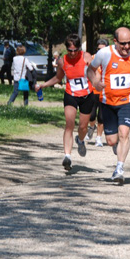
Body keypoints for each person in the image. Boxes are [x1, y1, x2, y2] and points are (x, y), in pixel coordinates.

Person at [87, 27, 130, 184]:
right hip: (107, 103)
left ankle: (119, 168)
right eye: (123, 44)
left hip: (127, 102)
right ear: (115, 42)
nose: (127, 47)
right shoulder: (104, 54)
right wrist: (95, 82)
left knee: (124, 134)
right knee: (111, 141)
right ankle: (118, 145)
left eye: (129, 43)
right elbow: (90, 70)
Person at [35, 33, 94, 171]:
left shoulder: (86, 57)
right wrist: (44, 85)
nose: (73, 53)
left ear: (79, 48)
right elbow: (58, 78)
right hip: (71, 95)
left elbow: (95, 73)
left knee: (83, 127)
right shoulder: (62, 61)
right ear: (66, 49)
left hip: (87, 95)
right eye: (70, 50)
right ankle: (67, 156)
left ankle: (80, 140)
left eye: (75, 50)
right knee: (69, 123)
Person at [86, 38, 109, 147]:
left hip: (105, 91)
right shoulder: (93, 58)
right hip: (93, 90)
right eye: (99, 49)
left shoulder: (111, 58)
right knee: (91, 115)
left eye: (103, 49)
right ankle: (91, 127)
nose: (101, 51)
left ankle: (98, 138)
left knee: (101, 116)